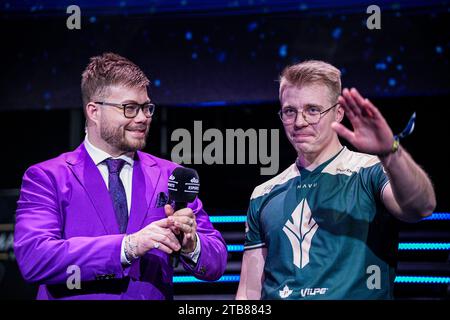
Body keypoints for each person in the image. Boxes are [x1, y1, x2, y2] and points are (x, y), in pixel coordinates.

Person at [14, 52, 227, 300]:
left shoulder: (170, 175)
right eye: (129, 108)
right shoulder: (48, 177)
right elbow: (35, 258)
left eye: (147, 108)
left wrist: (192, 245)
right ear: (94, 111)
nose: (142, 118)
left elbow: (216, 262)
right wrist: (128, 247)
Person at [236, 60, 436, 300]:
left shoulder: (370, 171)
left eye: (312, 110)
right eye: (290, 111)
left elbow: (421, 207)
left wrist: (390, 152)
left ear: (338, 112)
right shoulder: (263, 193)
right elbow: (249, 292)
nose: (299, 122)